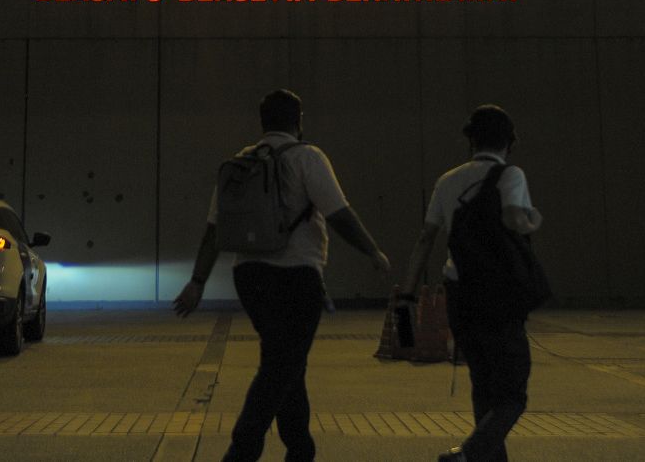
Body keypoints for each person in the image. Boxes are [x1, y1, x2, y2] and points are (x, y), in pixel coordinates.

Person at [173, 89, 391, 462]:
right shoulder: (308, 157)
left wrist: (197, 281)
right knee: (281, 365)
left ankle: (300, 448)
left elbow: (214, 230)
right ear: (298, 120)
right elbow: (339, 214)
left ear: (262, 122)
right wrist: (372, 251)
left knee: (288, 362)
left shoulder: (240, 163)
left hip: (250, 277)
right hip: (296, 278)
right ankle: (243, 449)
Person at [400, 105, 542, 462]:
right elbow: (514, 220)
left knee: (483, 386)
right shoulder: (511, 175)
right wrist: (532, 220)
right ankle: (468, 455)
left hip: (460, 295)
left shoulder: (447, 180)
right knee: (512, 395)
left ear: (471, 140)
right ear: (510, 141)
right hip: (499, 297)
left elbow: (425, 239)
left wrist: (407, 293)